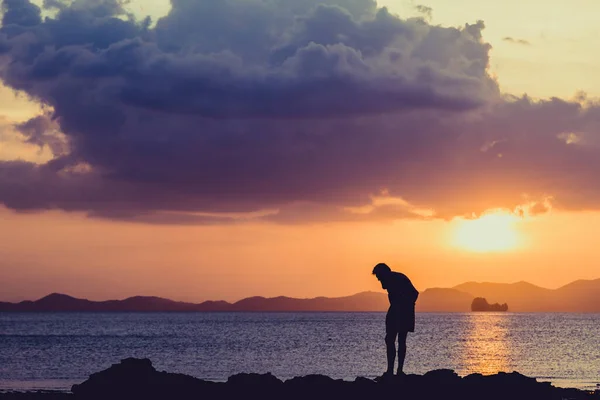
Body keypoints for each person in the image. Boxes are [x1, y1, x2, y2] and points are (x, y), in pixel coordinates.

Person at [372, 263, 419, 379]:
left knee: (398, 340)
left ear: (384, 273)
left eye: (379, 276)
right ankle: (393, 371)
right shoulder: (391, 280)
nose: (378, 279)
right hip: (397, 310)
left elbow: (414, 293)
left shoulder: (397, 279)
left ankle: (396, 371)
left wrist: (405, 304)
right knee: (391, 340)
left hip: (403, 311)